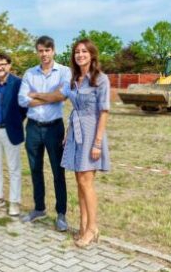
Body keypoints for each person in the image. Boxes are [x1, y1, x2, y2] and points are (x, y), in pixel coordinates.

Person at [18, 36, 71, 231]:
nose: (44, 54)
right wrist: (51, 97)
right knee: (35, 170)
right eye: (41, 50)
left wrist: (35, 94)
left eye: (47, 50)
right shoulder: (30, 73)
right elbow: (22, 101)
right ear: (37, 52)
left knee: (58, 172)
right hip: (33, 127)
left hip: (53, 128)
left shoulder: (64, 72)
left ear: (54, 51)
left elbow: (62, 95)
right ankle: (39, 208)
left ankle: (61, 214)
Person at [61, 38, 111, 248]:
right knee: (79, 181)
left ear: (91, 55)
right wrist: (67, 133)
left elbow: (104, 112)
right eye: (77, 52)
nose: (80, 55)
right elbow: (73, 108)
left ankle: (92, 228)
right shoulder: (74, 79)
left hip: (92, 132)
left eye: (84, 51)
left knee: (86, 182)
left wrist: (97, 143)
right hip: (75, 131)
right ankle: (83, 224)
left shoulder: (100, 79)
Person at [0, 53, 27, 216]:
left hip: (11, 131)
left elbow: (24, 108)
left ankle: (14, 202)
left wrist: (14, 122)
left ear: (9, 65)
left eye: (3, 64)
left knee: (14, 168)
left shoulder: (18, 83)